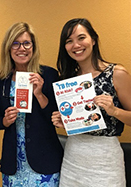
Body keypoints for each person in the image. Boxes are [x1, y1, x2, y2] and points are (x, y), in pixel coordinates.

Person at [51, 18, 131, 186]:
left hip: (106, 162)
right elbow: (80, 121)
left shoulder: (116, 73)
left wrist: (114, 111)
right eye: (69, 41)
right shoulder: (68, 80)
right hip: (73, 159)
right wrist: (64, 121)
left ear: (93, 40)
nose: (76, 45)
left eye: (81, 38)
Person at [0, 22, 63, 186]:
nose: (21, 48)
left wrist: (39, 94)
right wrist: (4, 121)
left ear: (33, 47)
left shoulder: (49, 75)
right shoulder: (0, 80)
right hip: (13, 162)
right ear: (8, 48)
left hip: (45, 158)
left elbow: (58, 118)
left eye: (26, 43)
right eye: (15, 44)